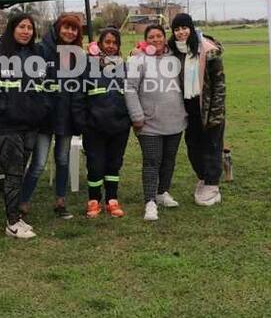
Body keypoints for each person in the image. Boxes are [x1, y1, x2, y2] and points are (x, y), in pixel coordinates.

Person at [0, 13, 50, 239]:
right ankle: (12, 223)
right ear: (12, 28)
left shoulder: (36, 55)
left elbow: (45, 86)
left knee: (18, 172)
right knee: (14, 172)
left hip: (30, 126)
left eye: (29, 27)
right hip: (2, 127)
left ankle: (16, 215)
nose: (26, 31)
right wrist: (8, 109)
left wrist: (40, 109)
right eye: (21, 27)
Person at [19, 13, 83, 220]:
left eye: (74, 29)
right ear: (57, 27)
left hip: (65, 116)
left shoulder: (76, 54)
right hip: (44, 117)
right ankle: (22, 202)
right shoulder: (40, 50)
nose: (70, 32)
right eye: (66, 27)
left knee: (62, 159)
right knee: (38, 163)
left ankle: (60, 201)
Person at [124, 24, 187, 221]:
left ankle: (162, 192)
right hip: (149, 123)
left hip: (175, 121)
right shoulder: (138, 60)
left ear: (165, 37)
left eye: (159, 36)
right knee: (152, 161)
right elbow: (130, 89)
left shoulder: (174, 58)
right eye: (151, 37)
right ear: (145, 40)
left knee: (169, 160)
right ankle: (150, 201)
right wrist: (137, 116)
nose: (156, 40)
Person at [72, 27, 131, 218]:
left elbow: (132, 94)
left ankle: (112, 200)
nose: (111, 46)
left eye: (115, 42)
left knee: (114, 164)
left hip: (120, 126)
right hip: (94, 127)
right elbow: (78, 96)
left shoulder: (125, 67)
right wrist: (82, 123)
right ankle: (94, 200)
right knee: (96, 165)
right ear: (100, 44)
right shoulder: (88, 66)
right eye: (107, 42)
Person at [168, 13, 226, 206]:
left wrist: (216, 112)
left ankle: (212, 183)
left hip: (209, 107)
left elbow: (219, 84)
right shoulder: (173, 51)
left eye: (184, 28)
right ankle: (203, 176)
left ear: (191, 28)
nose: (181, 32)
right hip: (187, 108)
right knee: (193, 146)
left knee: (211, 145)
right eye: (177, 29)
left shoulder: (208, 50)